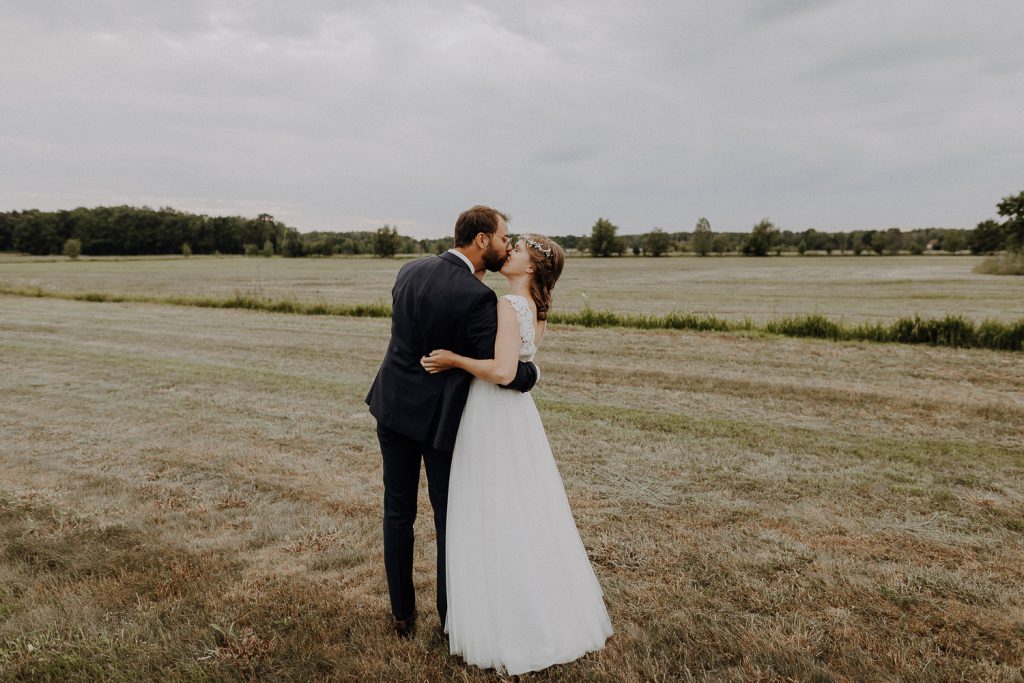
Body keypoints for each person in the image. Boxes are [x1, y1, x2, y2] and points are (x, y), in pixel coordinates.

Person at [421, 234, 613, 675]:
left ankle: (505, 618)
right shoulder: (535, 308)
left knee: (491, 506)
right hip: (518, 417)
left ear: (529, 268)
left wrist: (455, 359)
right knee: (524, 506)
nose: (509, 252)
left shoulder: (508, 305)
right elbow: (524, 365)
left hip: (492, 412)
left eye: (519, 250)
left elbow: (504, 371)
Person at [365, 205, 539, 638]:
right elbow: (498, 369)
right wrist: (532, 373)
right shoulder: (476, 296)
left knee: (397, 513)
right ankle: (450, 618)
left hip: (391, 406)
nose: (505, 244)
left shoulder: (410, 269)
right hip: (438, 423)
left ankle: (402, 615)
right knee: (449, 519)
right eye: (503, 237)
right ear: (482, 240)